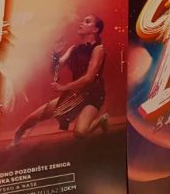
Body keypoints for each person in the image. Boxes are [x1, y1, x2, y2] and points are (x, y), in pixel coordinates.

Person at [13, 14, 109, 144]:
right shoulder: (73, 49)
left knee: (80, 133)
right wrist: (56, 54)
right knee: (34, 117)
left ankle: (100, 121)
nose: (81, 23)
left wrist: (63, 87)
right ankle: (18, 134)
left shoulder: (98, 49)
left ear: (95, 30)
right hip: (74, 94)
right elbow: (55, 70)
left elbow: (89, 78)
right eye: (82, 20)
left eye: (87, 22)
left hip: (93, 95)